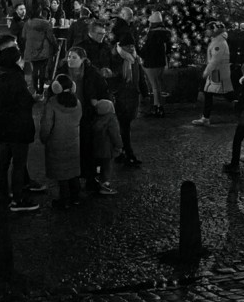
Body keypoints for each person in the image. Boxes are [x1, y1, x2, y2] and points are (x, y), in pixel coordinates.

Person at [0, 47, 42, 210]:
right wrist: (33, 100)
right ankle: (18, 199)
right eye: (19, 58)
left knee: (3, 161)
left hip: (2, 124)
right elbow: (22, 101)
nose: (22, 61)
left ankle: (3, 193)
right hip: (18, 125)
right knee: (18, 163)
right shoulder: (15, 77)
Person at [66, 48, 109, 193]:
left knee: (88, 148)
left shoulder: (92, 73)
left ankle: (91, 179)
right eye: (69, 57)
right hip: (68, 117)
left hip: (86, 115)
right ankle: (73, 182)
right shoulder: (62, 73)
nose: (70, 60)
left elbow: (103, 90)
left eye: (74, 57)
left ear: (83, 59)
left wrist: (96, 102)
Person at [41, 75, 84, 209]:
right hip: (73, 142)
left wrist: (44, 139)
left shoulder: (52, 103)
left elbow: (46, 126)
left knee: (62, 174)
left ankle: (64, 200)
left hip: (56, 143)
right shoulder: (77, 102)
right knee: (73, 171)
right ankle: (76, 198)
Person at [108, 32, 144, 166]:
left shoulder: (134, 57)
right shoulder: (116, 57)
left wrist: (145, 92)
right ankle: (128, 154)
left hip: (133, 95)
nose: (131, 47)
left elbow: (139, 77)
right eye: (128, 45)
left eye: (132, 45)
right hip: (122, 96)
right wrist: (116, 91)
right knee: (124, 125)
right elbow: (114, 77)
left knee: (125, 126)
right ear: (121, 45)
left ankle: (122, 152)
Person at [193, 25, 234, 126]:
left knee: (224, 93)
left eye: (208, 29)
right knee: (211, 93)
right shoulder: (218, 41)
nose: (207, 31)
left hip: (218, 73)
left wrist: (206, 71)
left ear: (214, 30)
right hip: (217, 73)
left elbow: (215, 60)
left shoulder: (219, 43)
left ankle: (206, 118)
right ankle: (205, 117)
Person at [18, 3, 56, 94]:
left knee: (34, 68)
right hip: (43, 49)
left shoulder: (28, 23)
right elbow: (51, 37)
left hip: (31, 49)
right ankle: (41, 89)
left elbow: (23, 36)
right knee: (42, 69)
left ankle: (35, 88)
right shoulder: (45, 23)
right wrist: (55, 46)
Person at [141, 11, 171, 117]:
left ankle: (156, 106)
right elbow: (168, 49)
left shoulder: (151, 34)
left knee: (154, 85)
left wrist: (139, 52)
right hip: (161, 62)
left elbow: (146, 49)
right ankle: (159, 106)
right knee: (157, 84)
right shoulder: (166, 33)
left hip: (150, 63)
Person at [90, 98, 123, 195]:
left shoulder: (95, 118)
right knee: (107, 168)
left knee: (98, 166)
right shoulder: (111, 119)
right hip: (108, 150)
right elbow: (115, 135)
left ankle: (96, 181)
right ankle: (105, 185)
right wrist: (119, 146)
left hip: (96, 149)